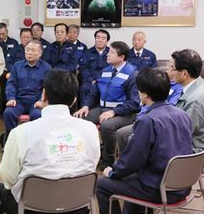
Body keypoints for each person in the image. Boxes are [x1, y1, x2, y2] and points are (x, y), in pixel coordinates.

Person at [0, 69, 100, 214]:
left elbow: (8, 177)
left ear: (43, 95)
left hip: (31, 212)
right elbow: (92, 164)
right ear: (74, 100)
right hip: (77, 211)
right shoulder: (91, 129)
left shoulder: (21, 132)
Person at [96, 68, 192, 214]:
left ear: (144, 94)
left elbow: (131, 162)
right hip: (182, 186)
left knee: (102, 184)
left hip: (158, 189)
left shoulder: (148, 120)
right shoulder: (182, 114)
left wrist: (112, 172)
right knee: (132, 177)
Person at [74, 41, 140, 169]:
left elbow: (134, 102)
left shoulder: (132, 74)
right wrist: (86, 106)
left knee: (107, 125)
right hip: (103, 108)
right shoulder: (105, 71)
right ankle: (86, 155)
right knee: (79, 119)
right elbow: (94, 93)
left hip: (124, 112)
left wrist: (114, 111)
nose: (107, 55)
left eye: (111, 53)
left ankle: (108, 159)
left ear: (122, 57)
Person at [116, 65, 183, 153]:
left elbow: (131, 163)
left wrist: (117, 167)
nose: (167, 68)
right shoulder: (184, 115)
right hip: (178, 163)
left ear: (145, 94)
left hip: (156, 165)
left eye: (171, 66)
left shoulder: (146, 121)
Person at [169, 49, 204, 153]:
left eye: (172, 68)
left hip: (192, 154)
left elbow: (180, 135)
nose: (168, 71)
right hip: (190, 145)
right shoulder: (195, 86)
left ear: (184, 74)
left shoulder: (196, 100)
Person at [2, 40, 51, 145]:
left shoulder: (46, 68)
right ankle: (11, 142)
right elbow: (11, 84)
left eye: (33, 50)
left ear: (40, 53)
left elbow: (47, 87)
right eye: (27, 50)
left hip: (36, 101)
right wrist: (11, 98)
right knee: (8, 113)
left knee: (37, 115)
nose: (29, 53)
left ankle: (35, 143)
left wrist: (41, 101)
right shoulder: (17, 66)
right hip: (19, 100)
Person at [79, 29, 110, 104]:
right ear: (95, 39)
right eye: (98, 37)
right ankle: (84, 111)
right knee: (84, 88)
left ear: (107, 41)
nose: (100, 40)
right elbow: (83, 68)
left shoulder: (111, 52)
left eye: (103, 38)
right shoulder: (88, 53)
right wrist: (91, 80)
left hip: (106, 81)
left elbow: (113, 68)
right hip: (90, 81)